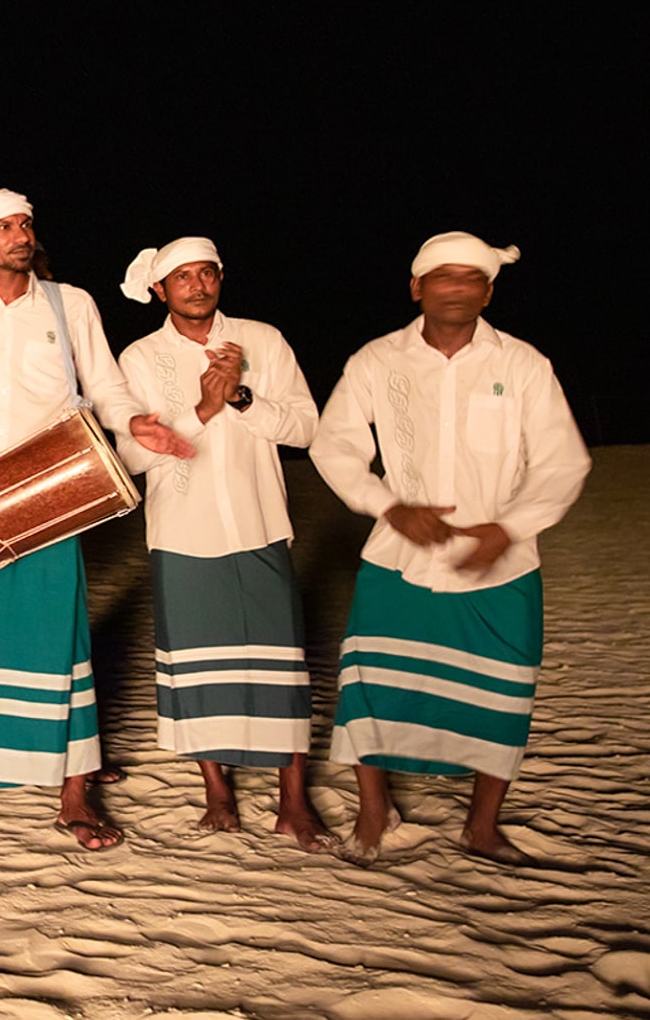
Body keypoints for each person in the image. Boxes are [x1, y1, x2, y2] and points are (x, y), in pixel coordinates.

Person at [0, 189, 193, 851]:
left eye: (25, 223)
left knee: (60, 640)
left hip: (51, 489)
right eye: (5, 226)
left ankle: (75, 794)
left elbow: (106, 385)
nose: (21, 234)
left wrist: (131, 418)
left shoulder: (69, 303)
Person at [309, 231, 589, 864]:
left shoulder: (522, 364)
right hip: (397, 559)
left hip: (502, 564)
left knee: (504, 692)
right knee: (372, 687)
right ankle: (374, 813)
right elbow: (335, 446)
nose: (457, 289)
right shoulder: (378, 360)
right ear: (417, 288)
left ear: (488, 291)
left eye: (471, 279)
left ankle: (481, 827)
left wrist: (509, 528)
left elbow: (562, 462)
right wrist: (388, 506)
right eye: (444, 278)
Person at [114, 236, 333, 850]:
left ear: (220, 278)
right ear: (160, 290)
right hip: (182, 531)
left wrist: (240, 396)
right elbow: (130, 454)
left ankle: (293, 802)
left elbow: (307, 426)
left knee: (281, 668)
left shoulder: (263, 340)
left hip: (260, 523)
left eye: (206, 273)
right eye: (181, 277)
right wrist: (204, 409)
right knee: (196, 674)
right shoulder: (137, 357)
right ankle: (219, 796)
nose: (196, 285)